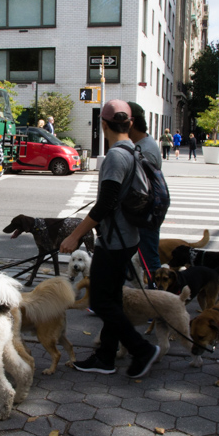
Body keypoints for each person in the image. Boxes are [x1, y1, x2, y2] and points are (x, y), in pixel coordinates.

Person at [60, 100, 160, 379]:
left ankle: (141, 350)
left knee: (102, 302)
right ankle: (105, 356)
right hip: (128, 237)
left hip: (115, 241)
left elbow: (105, 205)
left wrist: (74, 236)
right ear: (129, 124)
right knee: (112, 299)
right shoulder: (134, 150)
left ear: (104, 125)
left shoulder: (116, 156)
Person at [128, 102, 162, 285]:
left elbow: (141, 188)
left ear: (130, 122)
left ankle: (161, 304)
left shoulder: (144, 149)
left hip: (145, 214)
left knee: (150, 262)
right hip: (143, 213)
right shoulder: (142, 144)